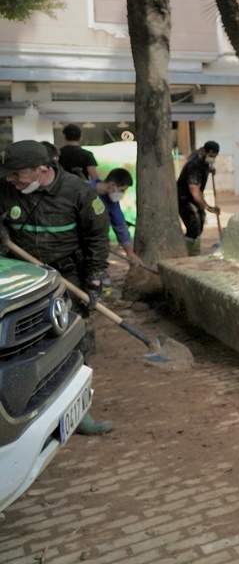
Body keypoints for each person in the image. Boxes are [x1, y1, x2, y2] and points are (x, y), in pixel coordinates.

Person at [0, 140, 114, 435]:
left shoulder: (78, 192)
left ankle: (80, 411)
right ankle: (34, 415)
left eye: (17, 174)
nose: (11, 179)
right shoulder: (6, 188)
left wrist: (95, 280)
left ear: (42, 170)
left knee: (75, 347)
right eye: (8, 174)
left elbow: (97, 240)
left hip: (67, 278)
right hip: (24, 280)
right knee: (30, 351)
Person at [90, 167, 141, 266]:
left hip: (95, 246)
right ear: (112, 185)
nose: (122, 194)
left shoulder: (112, 201)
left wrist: (130, 253)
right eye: (122, 190)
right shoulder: (83, 190)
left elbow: (120, 225)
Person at [177, 141, 220, 256]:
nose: (212, 159)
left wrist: (209, 170)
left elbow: (204, 166)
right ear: (204, 152)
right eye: (211, 156)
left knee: (201, 220)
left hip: (193, 198)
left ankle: (192, 250)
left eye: (214, 157)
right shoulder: (194, 166)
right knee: (194, 227)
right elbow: (194, 190)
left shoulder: (200, 155)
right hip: (184, 198)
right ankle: (190, 253)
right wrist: (207, 207)